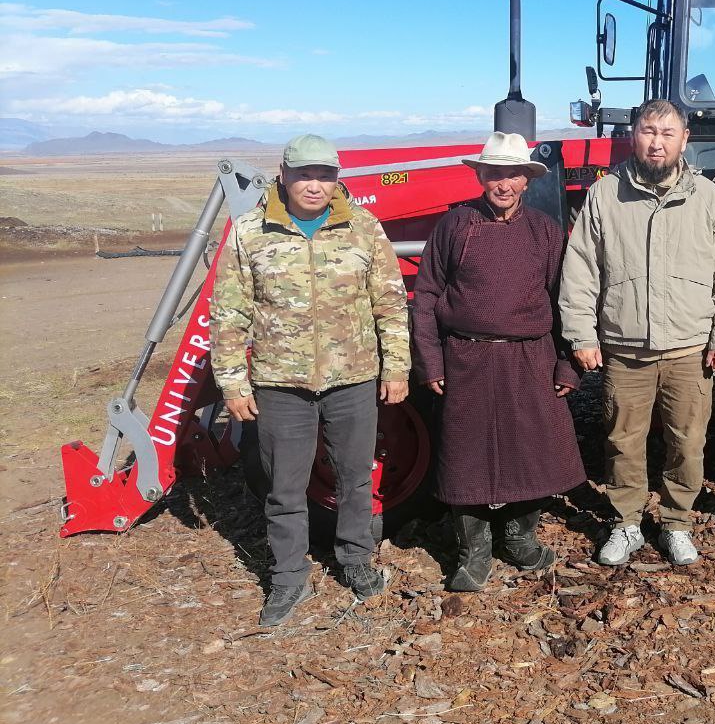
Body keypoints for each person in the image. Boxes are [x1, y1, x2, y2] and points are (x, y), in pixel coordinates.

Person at [211, 133, 410, 627]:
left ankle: (356, 560)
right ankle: (287, 578)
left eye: (325, 175)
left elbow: (389, 301)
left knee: (355, 478)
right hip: (281, 384)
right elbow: (229, 313)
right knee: (285, 487)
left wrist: (398, 367)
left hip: (353, 379)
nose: (315, 185)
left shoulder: (362, 227)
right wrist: (233, 384)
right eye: (305, 174)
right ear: (284, 173)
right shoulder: (250, 231)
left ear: (336, 179)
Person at [559, 99, 715, 567]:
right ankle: (627, 523)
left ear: (684, 140)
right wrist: (582, 333)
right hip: (626, 346)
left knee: (687, 442)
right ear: (634, 135)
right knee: (623, 440)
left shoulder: (707, 198)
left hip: (688, 347)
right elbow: (580, 269)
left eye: (667, 133)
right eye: (648, 131)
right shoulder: (606, 195)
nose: (656, 142)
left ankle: (677, 523)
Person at [411, 131, 586, 592]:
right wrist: (430, 361)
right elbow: (427, 295)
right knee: (464, 456)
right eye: (494, 173)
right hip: (465, 356)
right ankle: (473, 553)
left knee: (534, 450)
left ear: (527, 180)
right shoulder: (455, 226)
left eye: (513, 174)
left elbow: (567, 300)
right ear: (481, 176)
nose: (503, 183)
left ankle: (518, 536)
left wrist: (569, 364)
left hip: (531, 357)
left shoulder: (546, 232)